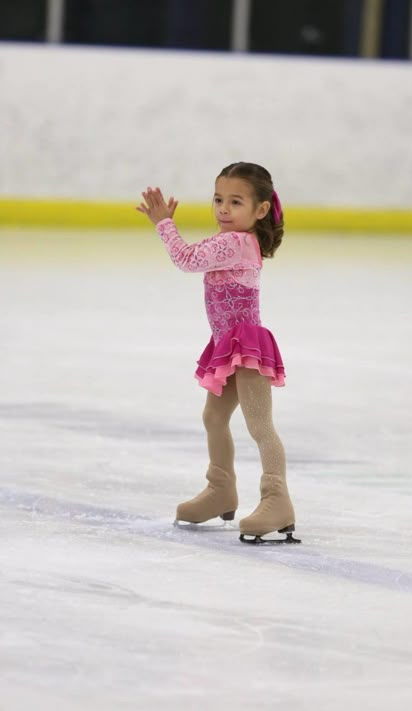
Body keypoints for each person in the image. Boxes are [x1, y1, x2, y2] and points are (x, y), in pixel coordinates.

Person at [136, 162, 299, 544]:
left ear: (260, 210)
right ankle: (221, 489)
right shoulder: (237, 241)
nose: (223, 209)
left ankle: (277, 499)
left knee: (259, 426)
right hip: (228, 345)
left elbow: (186, 259)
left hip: (247, 348)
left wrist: (164, 223)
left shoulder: (235, 243)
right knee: (214, 416)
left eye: (235, 202)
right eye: (218, 199)